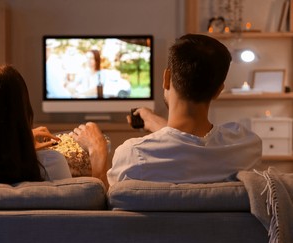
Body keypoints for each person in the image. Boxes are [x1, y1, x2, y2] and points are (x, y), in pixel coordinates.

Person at [74, 34, 262, 187]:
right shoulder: (246, 146)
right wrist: (155, 122)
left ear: (166, 78)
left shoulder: (134, 154)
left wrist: (97, 152)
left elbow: (103, 211)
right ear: (218, 91)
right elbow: (192, 146)